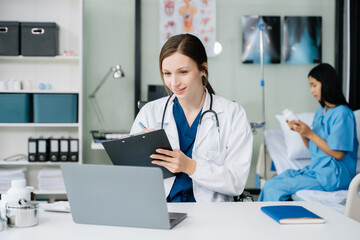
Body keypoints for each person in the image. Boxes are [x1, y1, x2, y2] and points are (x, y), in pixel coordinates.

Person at [130, 33, 253, 202]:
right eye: (167, 73)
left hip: (213, 215)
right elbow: (133, 177)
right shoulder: (150, 113)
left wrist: (190, 166)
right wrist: (139, 154)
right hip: (162, 210)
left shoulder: (233, 114)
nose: (174, 82)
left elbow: (236, 182)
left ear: (203, 69)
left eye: (183, 72)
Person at [259, 63, 358, 201]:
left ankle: (274, 221)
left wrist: (310, 133)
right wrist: (302, 132)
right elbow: (313, 148)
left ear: (326, 83)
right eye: (310, 86)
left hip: (334, 176)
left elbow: (338, 153)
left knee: (275, 188)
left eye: (314, 85)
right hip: (316, 170)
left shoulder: (343, 114)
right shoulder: (320, 112)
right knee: (271, 183)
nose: (311, 90)